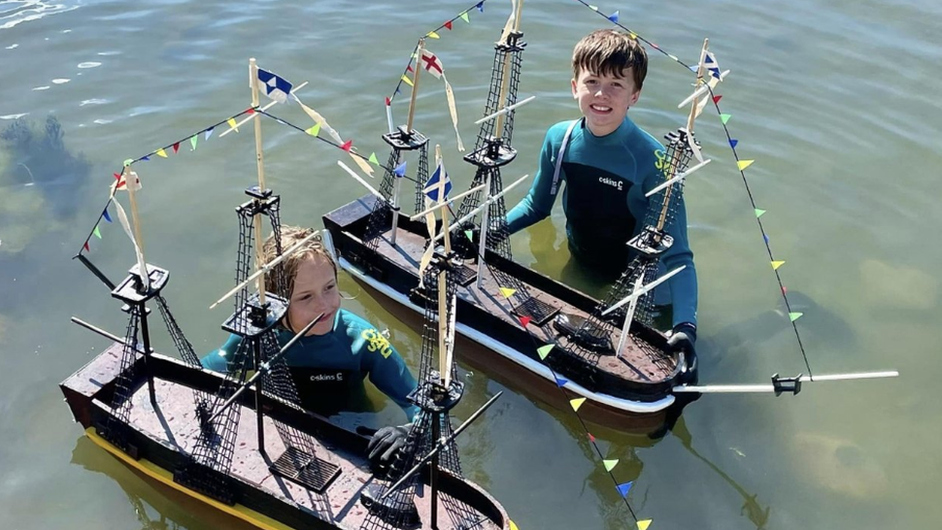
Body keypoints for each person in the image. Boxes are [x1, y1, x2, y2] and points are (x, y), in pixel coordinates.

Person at [504, 29, 699, 372]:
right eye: (592, 81)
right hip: (579, 266)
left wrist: (685, 328)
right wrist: (482, 232)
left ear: (634, 95)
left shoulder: (655, 162)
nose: (601, 94)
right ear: (574, 86)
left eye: (616, 85)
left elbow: (679, 255)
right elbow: (536, 207)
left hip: (642, 296)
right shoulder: (559, 139)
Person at [201, 225, 417, 463]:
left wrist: (408, 433)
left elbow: (425, 409)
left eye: (329, 288)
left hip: (353, 438)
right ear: (274, 301)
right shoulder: (257, 336)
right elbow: (200, 376)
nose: (324, 306)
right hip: (282, 439)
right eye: (306, 297)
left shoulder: (362, 340)